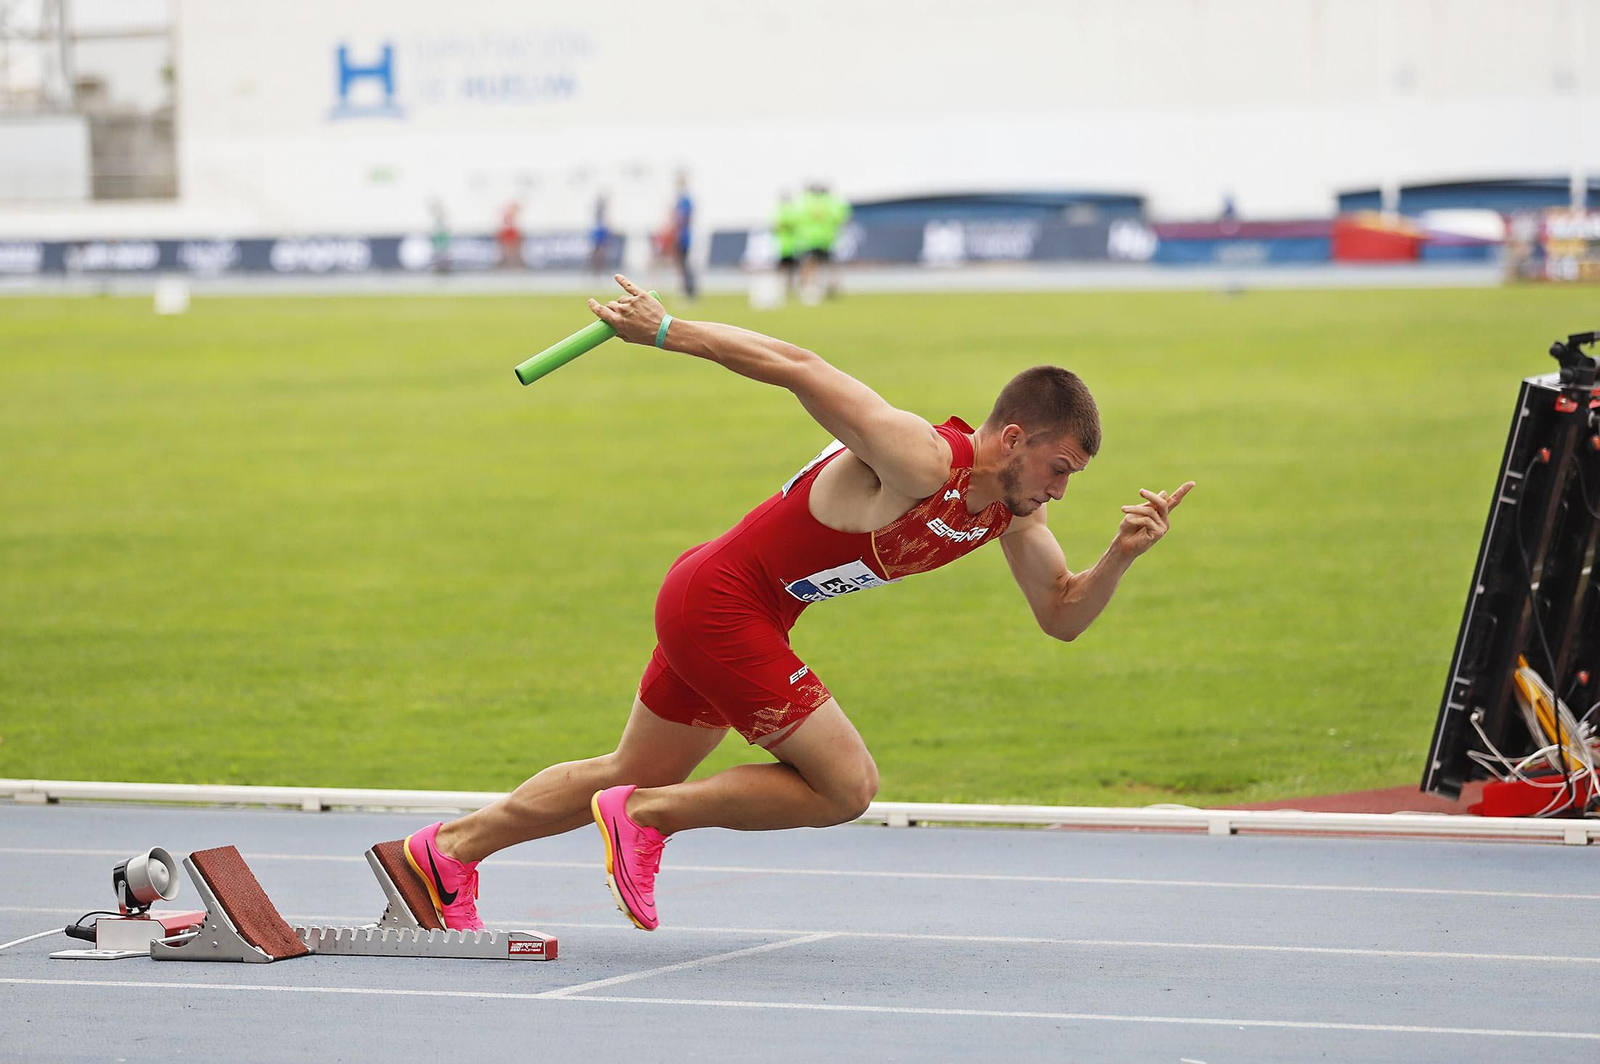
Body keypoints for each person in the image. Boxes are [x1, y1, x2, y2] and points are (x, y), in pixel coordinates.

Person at [402, 275, 1194, 932]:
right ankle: (646, 818)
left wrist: (1120, 556)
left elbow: (1061, 614)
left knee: (633, 767)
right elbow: (799, 363)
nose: (1059, 491)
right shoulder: (920, 458)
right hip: (720, 603)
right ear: (1015, 438)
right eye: (1058, 469)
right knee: (847, 786)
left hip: (736, 607)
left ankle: (444, 854)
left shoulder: (1012, 513)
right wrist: (666, 329)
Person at [670, 172, 696, 299]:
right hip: (680, 235)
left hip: (683, 237)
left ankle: (689, 291)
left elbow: (684, 218)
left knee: (684, 264)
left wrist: (678, 235)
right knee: (681, 265)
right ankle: (686, 289)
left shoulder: (685, 200)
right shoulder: (680, 200)